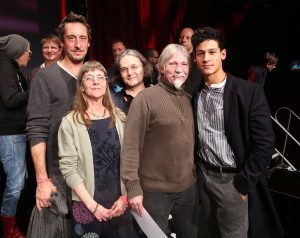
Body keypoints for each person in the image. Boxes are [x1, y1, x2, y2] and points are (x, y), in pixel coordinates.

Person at [192, 26, 284, 238]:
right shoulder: (196, 92)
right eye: (200, 53)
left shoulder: (248, 91)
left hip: (232, 181)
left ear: (223, 54)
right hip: (204, 178)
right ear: (195, 58)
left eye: (212, 52)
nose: (206, 58)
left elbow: (265, 143)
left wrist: (243, 184)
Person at [121, 43, 199, 237]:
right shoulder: (145, 99)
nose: (179, 69)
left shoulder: (191, 100)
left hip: (188, 190)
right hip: (154, 193)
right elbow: (130, 147)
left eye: (184, 64)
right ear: (161, 67)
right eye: (172, 64)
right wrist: (133, 188)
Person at [26, 12, 91, 236]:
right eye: (71, 38)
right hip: (58, 179)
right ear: (62, 42)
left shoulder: (94, 76)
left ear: (89, 42)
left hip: (91, 179)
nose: (77, 44)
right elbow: (36, 128)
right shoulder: (44, 78)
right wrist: (42, 179)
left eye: (82, 38)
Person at [58, 61, 135, 237]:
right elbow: (68, 169)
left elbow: (131, 160)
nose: (96, 81)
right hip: (87, 205)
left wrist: (125, 198)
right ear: (82, 86)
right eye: (89, 78)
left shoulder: (120, 117)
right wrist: (93, 207)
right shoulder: (70, 122)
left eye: (101, 77)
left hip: (120, 203)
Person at [0, 34, 31, 238]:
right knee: (16, 184)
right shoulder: (4, 67)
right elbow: (10, 100)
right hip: (10, 133)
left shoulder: (12, 68)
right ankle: (8, 227)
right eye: (27, 49)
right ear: (17, 51)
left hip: (16, 132)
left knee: (21, 180)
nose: (30, 53)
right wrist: (36, 88)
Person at [112, 49, 151, 114]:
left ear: (144, 68)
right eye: (124, 69)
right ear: (119, 73)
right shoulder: (114, 101)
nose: (129, 73)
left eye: (134, 67)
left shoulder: (156, 95)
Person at [178, 27, 202, 96]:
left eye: (187, 38)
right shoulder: (172, 59)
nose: (183, 40)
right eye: (181, 37)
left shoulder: (198, 59)